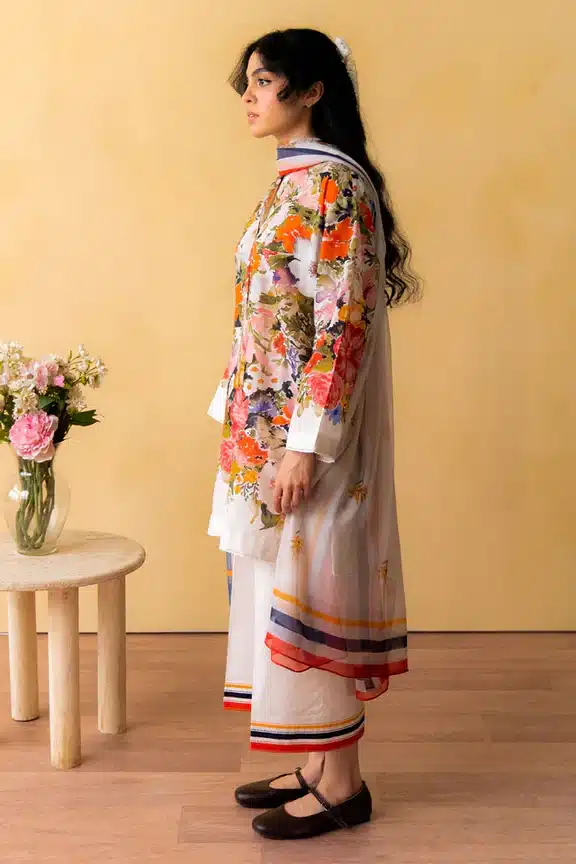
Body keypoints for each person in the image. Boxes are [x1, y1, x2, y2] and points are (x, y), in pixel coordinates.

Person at [207, 27, 419, 840]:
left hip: (307, 439)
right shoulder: (291, 182)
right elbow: (268, 316)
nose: (249, 96)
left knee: (317, 584)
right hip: (265, 429)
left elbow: (341, 326)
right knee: (281, 589)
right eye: (248, 82)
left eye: (265, 81)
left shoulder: (333, 186)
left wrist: (305, 443)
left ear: (313, 90)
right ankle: (316, 762)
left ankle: (345, 785)